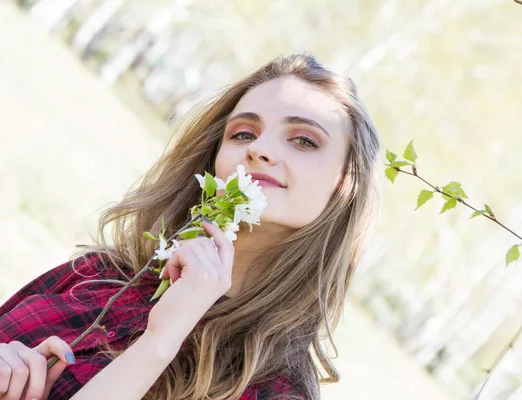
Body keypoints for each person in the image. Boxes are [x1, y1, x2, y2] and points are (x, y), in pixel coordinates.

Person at [0, 53, 381, 400]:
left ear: (346, 185)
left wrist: (159, 341)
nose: (259, 149)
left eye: (303, 140)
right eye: (243, 133)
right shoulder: (98, 275)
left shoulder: (271, 391)